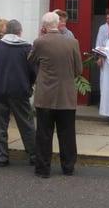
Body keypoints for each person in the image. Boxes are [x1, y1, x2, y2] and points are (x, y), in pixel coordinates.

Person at [28, 12, 82, 178]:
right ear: (58, 24)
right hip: (66, 95)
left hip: (45, 95)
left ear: (44, 26)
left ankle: (43, 169)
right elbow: (78, 70)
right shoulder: (73, 42)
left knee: (44, 134)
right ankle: (68, 167)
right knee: (67, 133)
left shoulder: (39, 42)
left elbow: (30, 61)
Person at [0, 19, 36, 167]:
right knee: (26, 124)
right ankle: (33, 154)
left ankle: (2, 156)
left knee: (0, 125)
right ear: (19, 31)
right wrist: (29, 85)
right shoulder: (26, 48)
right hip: (20, 90)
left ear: (7, 31)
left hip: (0, 89)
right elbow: (32, 71)